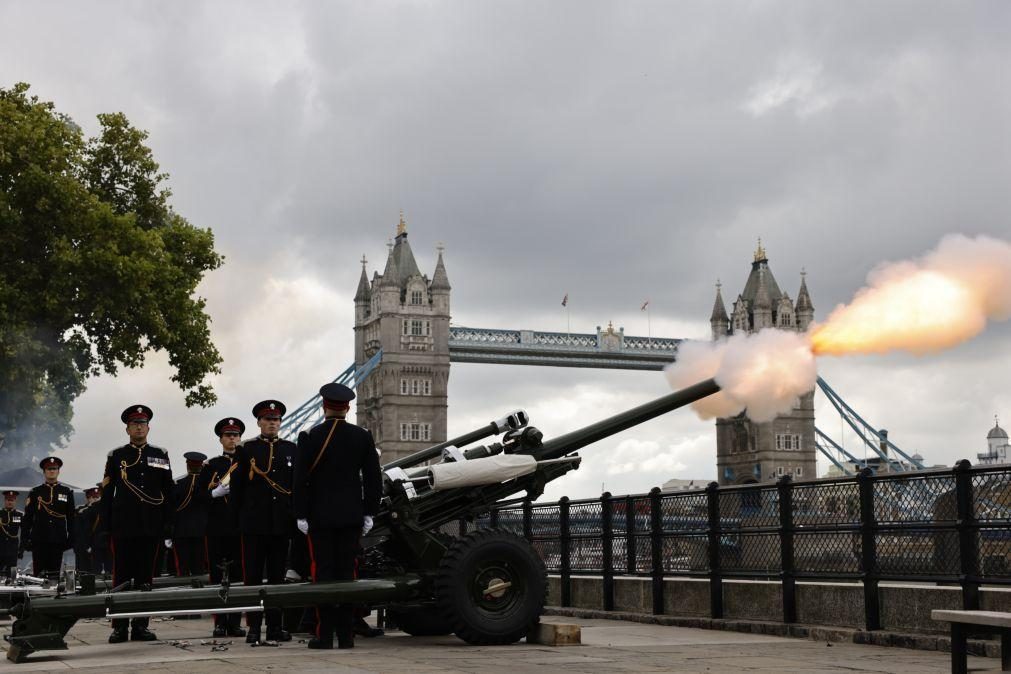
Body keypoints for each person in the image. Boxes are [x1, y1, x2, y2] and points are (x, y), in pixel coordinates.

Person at [293, 383, 381, 649]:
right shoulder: (362, 436)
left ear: (323, 406)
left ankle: (324, 634)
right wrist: (369, 512)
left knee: (323, 575)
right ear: (348, 407)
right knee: (347, 574)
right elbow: (373, 479)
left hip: (319, 518)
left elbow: (299, 480)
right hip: (351, 517)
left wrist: (301, 514)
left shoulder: (310, 436)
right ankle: (346, 636)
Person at [99, 405, 175, 644]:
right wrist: (106, 525)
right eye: (134, 423)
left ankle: (141, 625)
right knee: (121, 576)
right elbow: (107, 492)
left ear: (148, 427)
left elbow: (168, 490)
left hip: (151, 524)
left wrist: (168, 524)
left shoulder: (160, 454)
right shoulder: (116, 455)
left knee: (146, 577)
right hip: (124, 525)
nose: (139, 427)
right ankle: (119, 626)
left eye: (142, 423)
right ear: (127, 428)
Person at [230, 400, 296, 644]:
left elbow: (295, 487)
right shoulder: (246, 449)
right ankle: (254, 628)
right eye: (268, 419)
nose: (272, 423)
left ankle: (276, 626)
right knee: (253, 578)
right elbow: (236, 490)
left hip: (281, 524)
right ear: (259, 422)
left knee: (278, 577)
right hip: (254, 524)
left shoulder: (291, 449)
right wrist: (238, 522)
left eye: (276, 420)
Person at [205, 417, 246, 638]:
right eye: (228, 435)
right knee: (217, 576)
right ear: (221, 439)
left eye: (236, 435)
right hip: (218, 528)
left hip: (239, 526)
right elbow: (200, 498)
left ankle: (235, 621)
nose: (232, 438)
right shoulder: (212, 465)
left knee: (238, 576)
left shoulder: (248, 462)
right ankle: (219, 622)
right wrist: (213, 494)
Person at [21, 457, 75, 578]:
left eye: (54, 469)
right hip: (39, 539)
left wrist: (71, 538)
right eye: (49, 469)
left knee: (54, 574)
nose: (52, 471)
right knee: (38, 575)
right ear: (44, 472)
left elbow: (71, 518)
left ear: (58, 471)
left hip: (58, 539)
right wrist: (25, 539)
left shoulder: (66, 492)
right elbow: (27, 519)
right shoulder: (36, 492)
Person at [171, 451, 210, 576]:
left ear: (187, 465)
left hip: (182, 530)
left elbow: (171, 507)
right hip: (202, 530)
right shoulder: (208, 484)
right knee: (200, 567)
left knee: (183, 568)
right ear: (201, 466)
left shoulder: (178, 483)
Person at [73, 487, 101, 573]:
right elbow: (79, 529)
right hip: (83, 545)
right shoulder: (81, 510)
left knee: (97, 571)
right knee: (83, 570)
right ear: (88, 498)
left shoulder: (102, 509)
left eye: (97, 497)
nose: (95, 499)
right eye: (93, 497)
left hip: (98, 544)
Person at [0, 490, 24, 573]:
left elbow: (24, 533)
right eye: (8, 500)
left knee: (11, 573)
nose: (10, 502)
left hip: (13, 549)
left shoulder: (20, 515)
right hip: (0, 547)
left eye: (12, 500)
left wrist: (21, 549)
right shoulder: (0, 514)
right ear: (5, 501)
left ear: (15, 501)